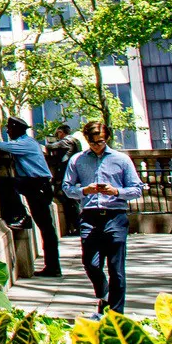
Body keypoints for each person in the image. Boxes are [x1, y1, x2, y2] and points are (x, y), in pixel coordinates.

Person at [64, 119, 142, 316]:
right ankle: (104, 295)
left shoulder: (121, 160)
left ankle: (116, 315)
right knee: (91, 263)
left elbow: (136, 189)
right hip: (89, 217)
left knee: (116, 269)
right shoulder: (77, 160)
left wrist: (116, 191)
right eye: (92, 142)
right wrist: (84, 190)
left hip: (115, 216)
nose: (96, 146)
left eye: (99, 142)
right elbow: (66, 188)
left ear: (106, 138)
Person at [0, 117, 62, 276]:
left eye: (9, 128)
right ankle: (53, 266)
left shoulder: (25, 143)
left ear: (16, 129)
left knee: (46, 227)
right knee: (46, 227)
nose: (7, 131)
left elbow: (5, 146)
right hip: (35, 184)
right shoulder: (28, 142)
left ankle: (53, 266)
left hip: (37, 184)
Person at [45, 122, 84, 233]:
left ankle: (77, 226)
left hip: (66, 174)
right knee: (71, 200)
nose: (57, 136)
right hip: (73, 174)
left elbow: (51, 146)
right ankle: (75, 226)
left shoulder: (67, 140)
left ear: (61, 132)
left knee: (69, 200)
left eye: (58, 133)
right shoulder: (75, 140)